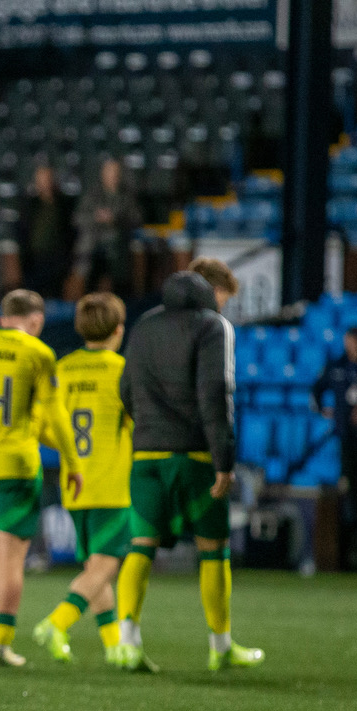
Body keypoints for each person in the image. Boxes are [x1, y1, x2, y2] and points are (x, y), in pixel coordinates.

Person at [113, 258, 263, 673]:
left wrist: (148, 426)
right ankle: (221, 646)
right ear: (213, 293)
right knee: (213, 551)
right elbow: (216, 393)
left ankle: (127, 643)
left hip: (146, 455)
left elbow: (125, 390)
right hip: (195, 455)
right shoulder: (212, 326)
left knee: (140, 547)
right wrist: (224, 459)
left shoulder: (144, 325)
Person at [0, 289, 82, 666]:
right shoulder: (38, 352)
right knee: (12, 558)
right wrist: (72, 461)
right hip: (17, 465)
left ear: (3, 317)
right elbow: (58, 416)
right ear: (35, 321)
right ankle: (0, 643)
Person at [31, 294, 130, 665]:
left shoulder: (64, 368)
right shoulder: (123, 371)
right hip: (112, 484)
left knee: (94, 567)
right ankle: (57, 622)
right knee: (107, 565)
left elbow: (42, 426)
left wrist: (69, 449)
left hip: (75, 483)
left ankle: (115, 646)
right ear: (119, 331)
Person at [311, 327, 357, 570]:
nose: (353, 345)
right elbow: (317, 389)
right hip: (348, 440)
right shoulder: (337, 365)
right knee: (353, 491)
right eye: (349, 340)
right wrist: (324, 410)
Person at [74, 158, 141, 298]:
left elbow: (136, 220)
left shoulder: (126, 197)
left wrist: (115, 219)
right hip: (93, 247)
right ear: (103, 173)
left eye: (116, 172)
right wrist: (96, 217)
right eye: (109, 171)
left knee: (120, 283)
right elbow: (77, 218)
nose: (113, 175)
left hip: (117, 249)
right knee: (88, 280)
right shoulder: (92, 195)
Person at [16, 165, 76, 299]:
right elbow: (22, 231)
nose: (45, 183)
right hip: (34, 259)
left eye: (48, 179)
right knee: (33, 299)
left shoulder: (64, 204)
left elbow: (71, 232)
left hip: (58, 259)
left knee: (55, 297)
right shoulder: (30, 204)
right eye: (42, 179)